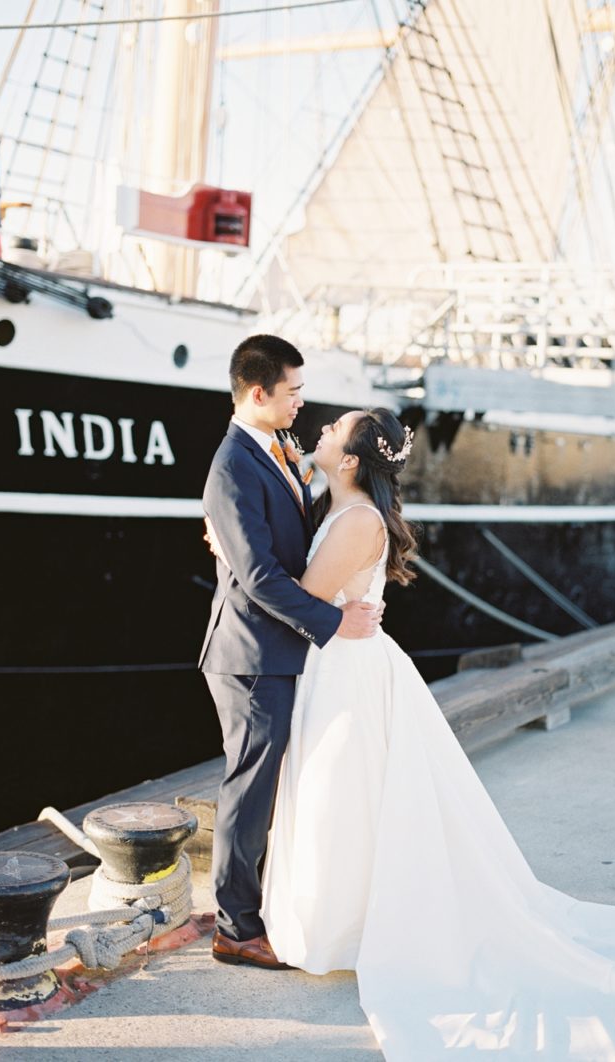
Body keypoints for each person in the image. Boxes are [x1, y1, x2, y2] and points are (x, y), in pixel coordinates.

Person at [261, 406, 615, 1061]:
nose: (315, 434)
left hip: (347, 673)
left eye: (328, 433)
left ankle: (348, 930)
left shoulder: (355, 522)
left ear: (348, 461)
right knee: (347, 797)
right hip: (343, 665)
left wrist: (241, 551)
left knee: (341, 796)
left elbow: (299, 596)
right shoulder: (341, 509)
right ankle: (341, 925)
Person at [199, 334, 381, 971]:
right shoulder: (232, 465)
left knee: (270, 787)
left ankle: (260, 911)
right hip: (250, 654)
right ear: (259, 393)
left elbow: (288, 541)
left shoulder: (275, 449)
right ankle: (235, 929)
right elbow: (260, 578)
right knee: (249, 790)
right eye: (294, 391)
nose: (303, 402)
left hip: (280, 648)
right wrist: (334, 621)